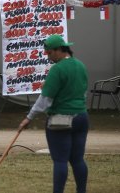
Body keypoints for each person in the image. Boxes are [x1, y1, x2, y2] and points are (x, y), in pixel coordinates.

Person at [18, 34, 89, 193]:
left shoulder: (57, 69)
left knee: (60, 160)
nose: (49, 57)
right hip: (82, 116)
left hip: (60, 119)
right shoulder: (81, 65)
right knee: (77, 159)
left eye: (50, 53)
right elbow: (82, 93)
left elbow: (45, 100)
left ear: (59, 50)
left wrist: (29, 118)